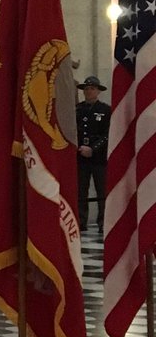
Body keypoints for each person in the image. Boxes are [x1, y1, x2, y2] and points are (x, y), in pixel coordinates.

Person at [75, 75, 110, 233]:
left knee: (102, 190)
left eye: (92, 89)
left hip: (99, 158)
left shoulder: (105, 110)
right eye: (87, 89)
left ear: (98, 91)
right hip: (80, 156)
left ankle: (103, 221)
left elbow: (108, 134)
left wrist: (93, 149)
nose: (89, 91)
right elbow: (72, 132)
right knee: (81, 190)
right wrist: (80, 147)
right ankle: (81, 221)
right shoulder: (77, 109)